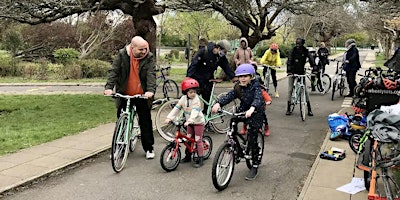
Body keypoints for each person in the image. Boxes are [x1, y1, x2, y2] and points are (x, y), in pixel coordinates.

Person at [104, 36, 156, 159]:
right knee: (121, 121)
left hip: (141, 94)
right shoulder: (122, 55)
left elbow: (151, 74)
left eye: (145, 49)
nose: (144, 51)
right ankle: (118, 148)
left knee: (145, 121)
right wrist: (109, 87)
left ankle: (149, 148)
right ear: (132, 48)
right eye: (141, 49)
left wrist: (150, 91)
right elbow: (114, 71)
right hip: (125, 93)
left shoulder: (149, 57)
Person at [211, 63, 265, 180]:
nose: (243, 78)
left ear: (251, 76)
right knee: (233, 121)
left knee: (252, 137)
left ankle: (254, 164)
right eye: (241, 76)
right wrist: (219, 103)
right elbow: (230, 96)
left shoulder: (256, 86)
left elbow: (258, 98)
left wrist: (252, 108)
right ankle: (235, 146)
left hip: (255, 112)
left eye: (246, 76)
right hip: (243, 110)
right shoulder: (238, 87)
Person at [164, 78, 206, 167]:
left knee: (198, 140)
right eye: (190, 92)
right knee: (188, 138)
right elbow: (176, 108)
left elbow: (195, 112)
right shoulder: (183, 99)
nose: (193, 94)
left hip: (198, 122)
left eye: (194, 91)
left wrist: (190, 120)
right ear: (186, 92)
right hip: (189, 122)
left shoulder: (197, 100)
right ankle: (188, 156)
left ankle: (200, 158)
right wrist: (169, 117)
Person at [187, 40, 237, 113]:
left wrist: (233, 77)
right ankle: (189, 115)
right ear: (219, 48)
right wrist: (189, 76)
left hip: (209, 79)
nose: (224, 54)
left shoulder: (220, 57)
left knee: (207, 100)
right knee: (193, 98)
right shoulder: (204, 51)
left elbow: (227, 67)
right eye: (224, 51)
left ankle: (206, 118)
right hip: (197, 79)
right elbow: (194, 64)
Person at [286, 38, 315, 116]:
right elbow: (289, 60)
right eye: (297, 44)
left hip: (301, 72)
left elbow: (311, 58)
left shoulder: (305, 50)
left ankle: (309, 109)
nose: (298, 45)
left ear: (302, 44)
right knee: (290, 89)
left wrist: (314, 67)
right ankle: (288, 108)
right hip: (292, 71)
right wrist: (289, 71)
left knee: (305, 90)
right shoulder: (293, 51)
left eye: (299, 44)